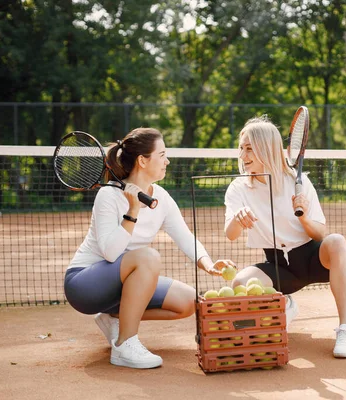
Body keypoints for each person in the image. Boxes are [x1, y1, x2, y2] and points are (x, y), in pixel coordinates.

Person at [64, 127, 235, 369]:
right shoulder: (108, 196)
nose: (167, 160)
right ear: (143, 161)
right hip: (85, 284)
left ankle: (113, 317)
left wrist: (208, 263)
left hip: (122, 285)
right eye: (162, 154)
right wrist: (132, 212)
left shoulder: (162, 198)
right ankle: (125, 344)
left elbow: (185, 236)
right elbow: (111, 253)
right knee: (148, 257)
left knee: (188, 301)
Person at [223, 116, 346, 358]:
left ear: (266, 148)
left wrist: (305, 217)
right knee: (239, 283)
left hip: (311, 258)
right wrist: (237, 219)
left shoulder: (298, 181)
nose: (243, 155)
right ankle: (284, 302)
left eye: (249, 149)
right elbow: (230, 235)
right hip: (276, 267)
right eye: (241, 148)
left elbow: (319, 233)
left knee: (336, 241)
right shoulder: (238, 188)